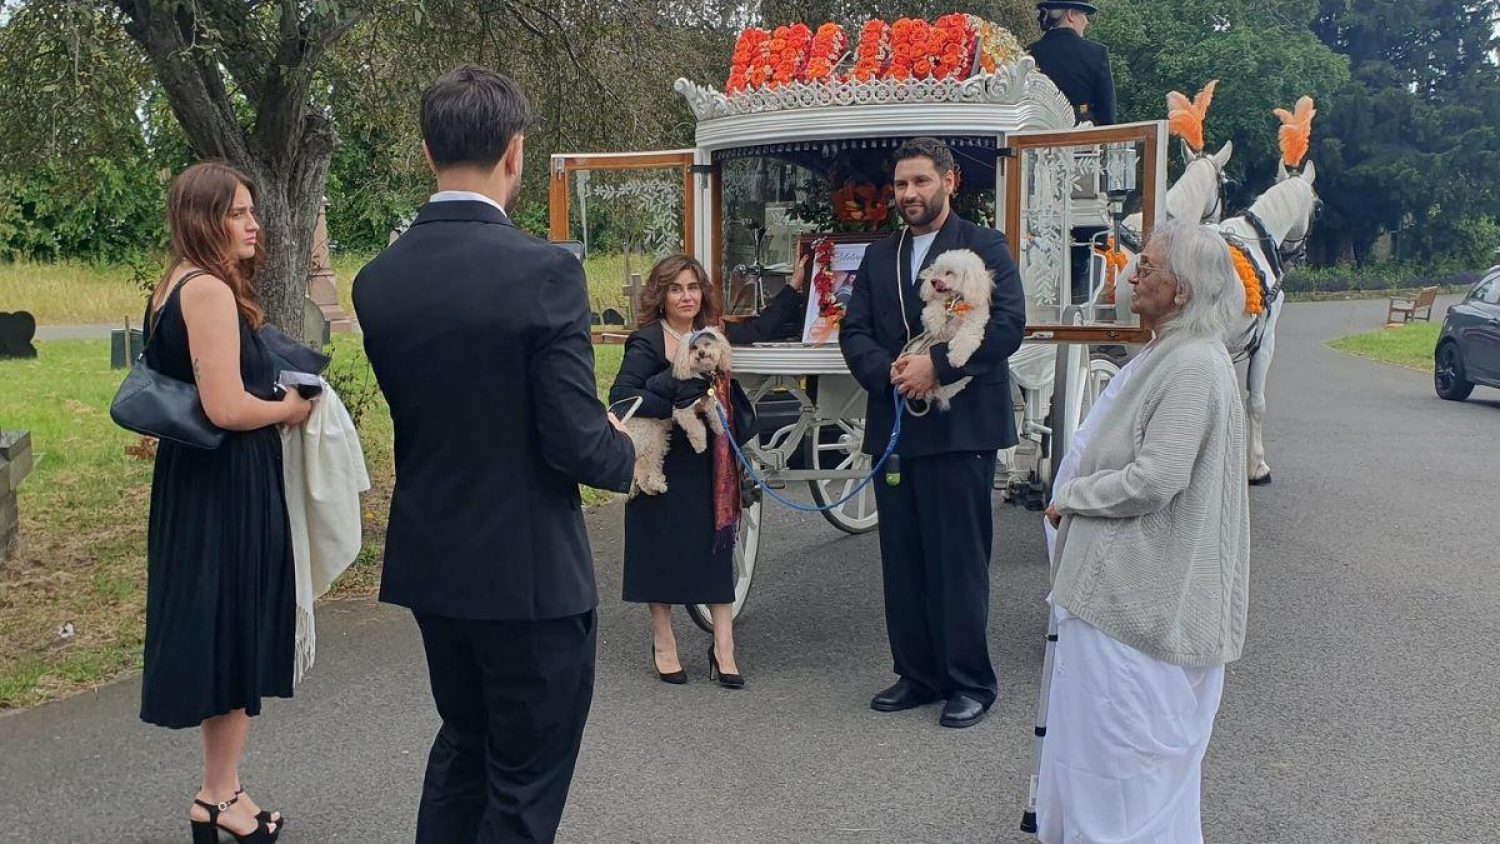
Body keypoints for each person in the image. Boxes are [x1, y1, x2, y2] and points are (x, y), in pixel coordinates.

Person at [353, 65, 635, 843]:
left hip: (434, 561)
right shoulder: (544, 272)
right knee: (522, 783)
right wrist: (626, 454)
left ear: (425, 152)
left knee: (465, 745)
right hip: (529, 574)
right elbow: (575, 441)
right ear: (516, 152)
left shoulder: (378, 282)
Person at [1037, 220, 1250, 842]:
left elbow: (1155, 480)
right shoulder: (1170, 351)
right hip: (1122, 596)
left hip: (1138, 601)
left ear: (1182, 290)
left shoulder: (1191, 365)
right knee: (1101, 753)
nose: (1133, 274)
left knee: (1123, 761)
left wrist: (1072, 496)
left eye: (1150, 267)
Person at [140, 161, 313, 843]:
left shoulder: (176, 283)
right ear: (205, 218)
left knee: (222, 633)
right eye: (240, 212)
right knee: (235, 631)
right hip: (225, 483)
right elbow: (224, 405)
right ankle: (218, 797)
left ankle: (223, 793)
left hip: (198, 481)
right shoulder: (207, 290)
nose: (255, 224)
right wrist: (291, 408)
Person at [839, 137, 1027, 728]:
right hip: (897, 424)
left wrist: (938, 367)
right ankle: (917, 674)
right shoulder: (879, 255)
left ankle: (970, 681)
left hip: (960, 427)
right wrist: (890, 375)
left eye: (921, 181)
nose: (909, 194)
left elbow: (1009, 326)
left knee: (958, 560)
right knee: (904, 559)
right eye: (901, 184)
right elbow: (855, 331)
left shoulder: (983, 245)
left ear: (949, 181)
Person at [608, 253, 806, 689]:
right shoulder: (645, 341)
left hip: (710, 460)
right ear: (661, 296)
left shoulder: (713, 333)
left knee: (717, 548)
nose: (686, 296)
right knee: (657, 547)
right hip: (663, 454)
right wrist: (678, 393)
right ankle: (663, 641)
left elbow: (762, 329)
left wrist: (794, 287)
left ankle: (724, 646)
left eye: (693, 287)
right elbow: (622, 397)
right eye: (676, 288)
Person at [1028, 1, 1117, 126]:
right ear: (1070, 14)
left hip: (1038, 129)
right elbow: (1106, 112)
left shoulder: (1029, 53)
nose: (1086, 21)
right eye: (1083, 15)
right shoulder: (1096, 53)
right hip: (1082, 132)